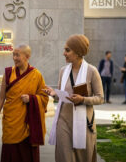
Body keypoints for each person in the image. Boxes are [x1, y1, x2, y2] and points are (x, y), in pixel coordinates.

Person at [45, 34, 104, 162]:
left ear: (77, 52)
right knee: (64, 158)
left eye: (67, 50)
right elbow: (62, 96)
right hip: (63, 121)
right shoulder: (63, 71)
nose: (63, 53)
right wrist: (54, 94)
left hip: (84, 123)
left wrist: (83, 100)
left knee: (82, 158)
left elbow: (100, 98)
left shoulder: (92, 71)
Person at [0, 45, 49, 162]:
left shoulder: (36, 75)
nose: (14, 58)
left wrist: (31, 99)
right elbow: (1, 97)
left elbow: (44, 97)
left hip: (28, 124)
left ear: (27, 57)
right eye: (13, 54)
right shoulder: (8, 73)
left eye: (17, 55)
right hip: (11, 122)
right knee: (10, 154)